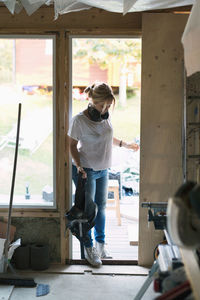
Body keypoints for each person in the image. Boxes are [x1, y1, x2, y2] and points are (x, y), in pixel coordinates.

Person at [68, 82, 139, 267]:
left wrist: (125, 144)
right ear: (92, 101)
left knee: (101, 208)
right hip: (87, 170)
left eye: (108, 106)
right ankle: (89, 248)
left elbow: (106, 136)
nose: (105, 109)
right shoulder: (79, 120)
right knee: (88, 212)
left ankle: (101, 244)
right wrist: (78, 165)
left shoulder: (104, 117)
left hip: (103, 169)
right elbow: (71, 145)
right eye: (102, 106)